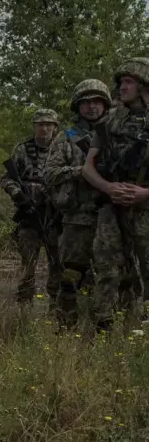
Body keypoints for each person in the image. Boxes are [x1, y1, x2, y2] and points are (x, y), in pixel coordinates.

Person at [83, 58, 149, 330]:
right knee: (106, 266)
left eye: (128, 82)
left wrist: (145, 193)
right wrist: (108, 187)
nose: (122, 87)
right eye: (121, 82)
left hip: (145, 206)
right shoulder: (110, 120)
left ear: (145, 85)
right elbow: (88, 167)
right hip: (113, 206)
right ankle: (104, 327)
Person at [44, 79, 112, 329]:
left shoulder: (118, 131)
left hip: (113, 214)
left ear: (105, 103)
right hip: (78, 218)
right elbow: (49, 173)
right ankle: (66, 328)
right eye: (85, 102)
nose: (91, 107)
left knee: (114, 275)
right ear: (78, 106)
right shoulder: (67, 137)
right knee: (71, 276)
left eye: (96, 101)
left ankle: (109, 327)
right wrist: (83, 171)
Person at [1, 109, 62, 304]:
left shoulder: (63, 148)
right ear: (34, 127)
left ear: (55, 127)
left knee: (58, 264)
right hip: (29, 215)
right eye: (40, 124)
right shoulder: (22, 149)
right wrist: (17, 193)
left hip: (56, 216)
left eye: (49, 124)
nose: (44, 128)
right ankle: (24, 305)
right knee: (28, 265)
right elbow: (7, 179)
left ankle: (57, 305)